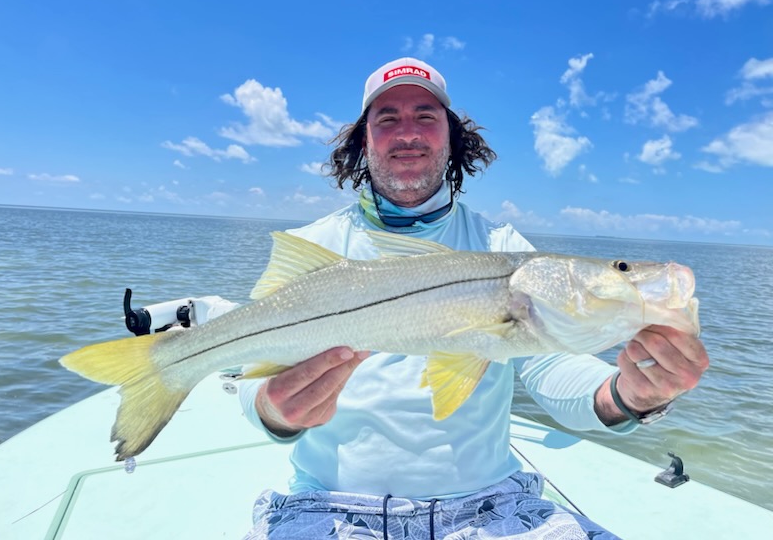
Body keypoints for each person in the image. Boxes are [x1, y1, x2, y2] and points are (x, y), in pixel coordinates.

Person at [235, 57, 709, 539]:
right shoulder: (315, 248)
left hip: (490, 507)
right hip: (330, 505)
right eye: (387, 119)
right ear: (364, 140)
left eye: (425, 116)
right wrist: (274, 410)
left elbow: (550, 368)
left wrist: (633, 395)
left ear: (451, 136)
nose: (408, 133)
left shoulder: (503, 247)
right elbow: (252, 373)